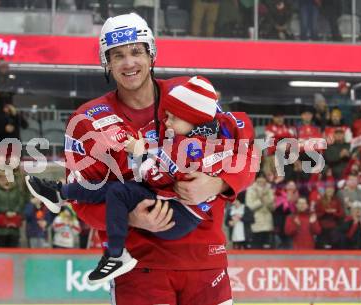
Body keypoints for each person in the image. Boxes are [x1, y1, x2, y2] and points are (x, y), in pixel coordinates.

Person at [41, 13, 255, 305]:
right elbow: (82, 201)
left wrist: (218, 184)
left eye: (136, 52)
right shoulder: (86, 121)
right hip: (139, 268)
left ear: (151, 54)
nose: (129, 63)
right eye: (118, 55)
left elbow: (246, 152)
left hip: (206, 263)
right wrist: (129, 217)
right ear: (107, 62)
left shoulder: (188, 95)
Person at [27, 76, 249, 284]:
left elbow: (152, 176)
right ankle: (60, 193)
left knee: (118, 192)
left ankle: (115, 254)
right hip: (178, 206)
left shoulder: (188, 148)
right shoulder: (209, 137)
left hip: (179, 216)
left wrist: (138, 152)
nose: (166, 122)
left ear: (191, 118)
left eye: (173, 117)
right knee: (116, 188)